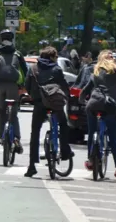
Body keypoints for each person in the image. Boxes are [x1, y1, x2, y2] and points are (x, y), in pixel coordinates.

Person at [23, 46, 73, 177]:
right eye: (56, 57)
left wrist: (34, 97)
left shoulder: (33, 68)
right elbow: (63, 86)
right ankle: (65, 151)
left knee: (35, 132)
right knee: (63, 124)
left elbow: (27, 85)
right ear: (51, 57)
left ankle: (32, 165)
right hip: (55, 105)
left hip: (39, 103)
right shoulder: (56, 69)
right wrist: (66, 97)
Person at [81, 49, 116, 181]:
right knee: (113, 138)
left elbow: (85, 90)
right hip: (109, 105)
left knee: (91, 132)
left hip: (93, 104)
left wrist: (83, 101)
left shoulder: (95, 71)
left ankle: (90, 159)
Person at [0, 29, 27, 153]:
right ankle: (16, 138)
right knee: (13, 113)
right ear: (12, 39)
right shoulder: (18, 54)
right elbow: (25, 71)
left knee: (1, 111)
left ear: (0, 39)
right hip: (13, 86)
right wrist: (23, 86)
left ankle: (1, 137)